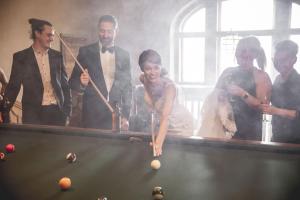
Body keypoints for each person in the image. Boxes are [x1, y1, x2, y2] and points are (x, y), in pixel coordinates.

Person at [0, 18, 71, 125]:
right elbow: (13, 87)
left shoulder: (57, 56)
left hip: (57, 113)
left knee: (55, 142)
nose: (52, 38)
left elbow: (65, 86)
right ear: (37, 34)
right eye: (49, 35)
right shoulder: (21, 57)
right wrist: (3, 111)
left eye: (52, 35)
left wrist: (67, 112)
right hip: (33, 115)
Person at [69, 15, 132, 130]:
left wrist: (126, 116)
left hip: (116, 116)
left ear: (116, 31)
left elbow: (128, 88)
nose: (105, 35)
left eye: (109, 31)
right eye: (102, 31)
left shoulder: (124, 55)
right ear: (98, 30)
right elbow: (72, 82)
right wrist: (82, 83)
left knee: (114, 148)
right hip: (92, 116)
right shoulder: (85, 52)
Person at [132, 49, 193, 156]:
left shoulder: (169, 87)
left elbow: (166, 118)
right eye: (148, 68)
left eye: (156, 68)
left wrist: (158, 144)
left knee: (175, 153)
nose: (153, 72)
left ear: (161, 67)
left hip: (179, 124)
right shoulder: (143, 78)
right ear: (142, 69)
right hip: (161, 121)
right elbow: (149, 96)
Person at [213, 36, 272, 140]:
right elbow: (214, 95)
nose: (243, 60)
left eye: (246, 57)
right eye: (240, 55)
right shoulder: (228, 72)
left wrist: (242, 93)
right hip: (226, 126)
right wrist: (220, 96)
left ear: (254, 56)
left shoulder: (261, 75)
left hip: (250, 129)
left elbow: (263, 106)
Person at [261, 40, 300, 144]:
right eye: (277, 60)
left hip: (295, 141)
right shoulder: (277, 79)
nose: (279, 64)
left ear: (294, 60)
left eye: (284, 60)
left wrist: (275, 111)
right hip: (278, 137)